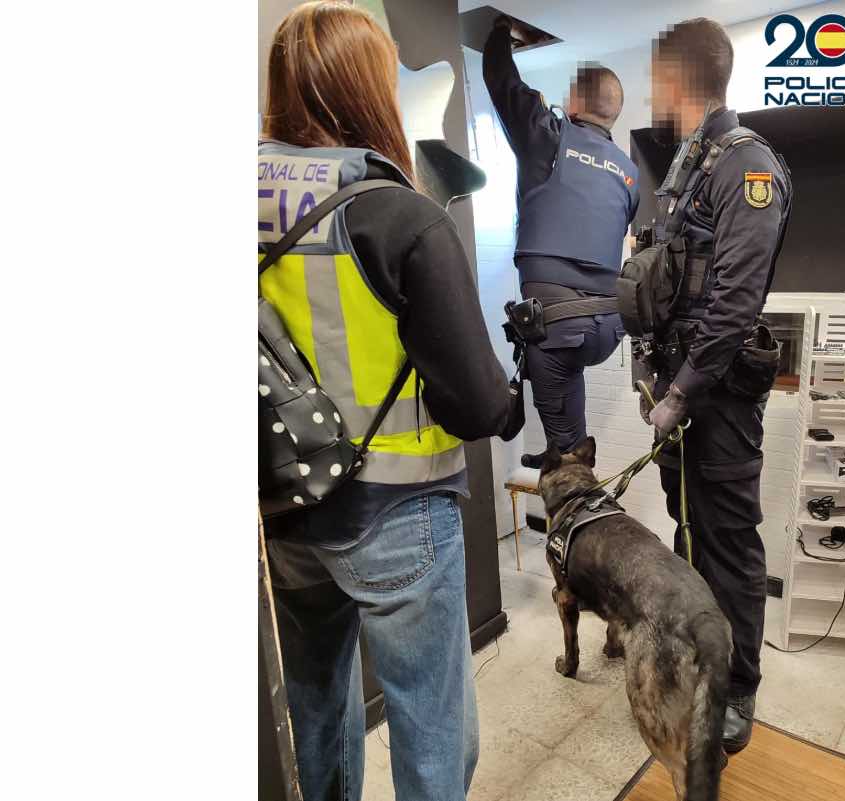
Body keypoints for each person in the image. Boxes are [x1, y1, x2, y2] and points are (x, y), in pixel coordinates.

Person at [258, 3, 519, 800]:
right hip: (397, 517)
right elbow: (478, 405)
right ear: (367, 89)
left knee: (318, 711)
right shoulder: (398, 214)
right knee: (436, 736)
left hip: (286, 510)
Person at [641, 18, 793, 755]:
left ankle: (739, 689)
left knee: (728, 543)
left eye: (654, 81)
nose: (651, 95)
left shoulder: (745, 165)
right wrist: (652, 372)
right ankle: (699, 663)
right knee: (688, 530)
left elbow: (733, 301)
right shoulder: (686, 165)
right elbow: (665, 274)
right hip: (675, 385)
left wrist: (683, 389)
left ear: (677, 81)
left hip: (719, 395)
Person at [483, 15, 639, 468]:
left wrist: (499, 32)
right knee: (571, 385)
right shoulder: (630, 172)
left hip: (553, 324)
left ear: (574, 100)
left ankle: (568, 474)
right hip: (608, 326)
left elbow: (500, 79)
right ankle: (571, 448)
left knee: (565, 457)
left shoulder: (550, 137)